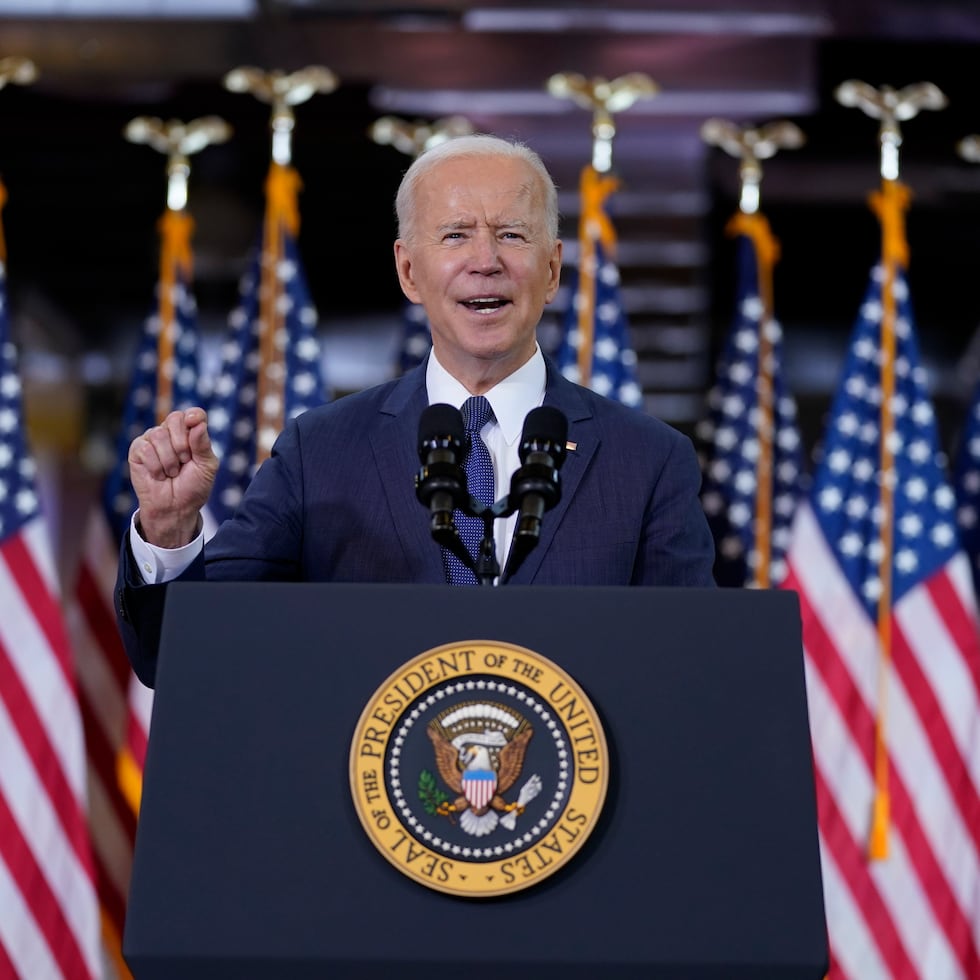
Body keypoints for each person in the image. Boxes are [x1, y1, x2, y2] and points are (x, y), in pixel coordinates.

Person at [116, 134, 715, 687]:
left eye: (511, 234)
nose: (486, 259)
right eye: (455, 234)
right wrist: (169, 534)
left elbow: (691, 669)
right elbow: (181, 657)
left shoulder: (649, 460)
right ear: (409, 270)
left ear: (553, 268)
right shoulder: (321, 452)